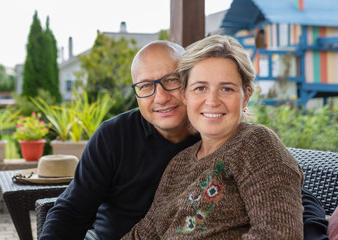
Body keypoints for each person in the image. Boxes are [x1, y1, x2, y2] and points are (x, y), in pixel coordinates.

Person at [40, 39, 328, 240]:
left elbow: (285, 201)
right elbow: (75, 210)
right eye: (145, 86)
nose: (161, 96)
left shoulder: (246, 141)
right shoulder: (135, 145)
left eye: (171, 80)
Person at [121, 35, 304, 239]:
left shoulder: (256, 143)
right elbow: (144, 234)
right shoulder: (178, 164)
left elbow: (278, 233)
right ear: (185, 96)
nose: (212, 101)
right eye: (200, 88)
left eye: (226, 89)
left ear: (246, 96)